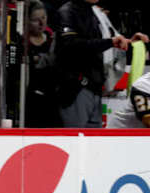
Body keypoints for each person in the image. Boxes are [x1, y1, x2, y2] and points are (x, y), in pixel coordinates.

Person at [55, 0, 149, 128]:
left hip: (95, 87)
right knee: (75, 140)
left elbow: (106, 41)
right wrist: (110, 42)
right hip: (76, 88)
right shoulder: (67, 11)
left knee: (94, 142)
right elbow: (70, 45)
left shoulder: (95, 12)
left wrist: (129, 42)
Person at [25, 0, 60, 127]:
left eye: (44, 18)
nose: (41, 23)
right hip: (31, 103)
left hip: (53, 100)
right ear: (27, 21)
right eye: (35, 20)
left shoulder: (54, 40)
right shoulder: (22, 43)